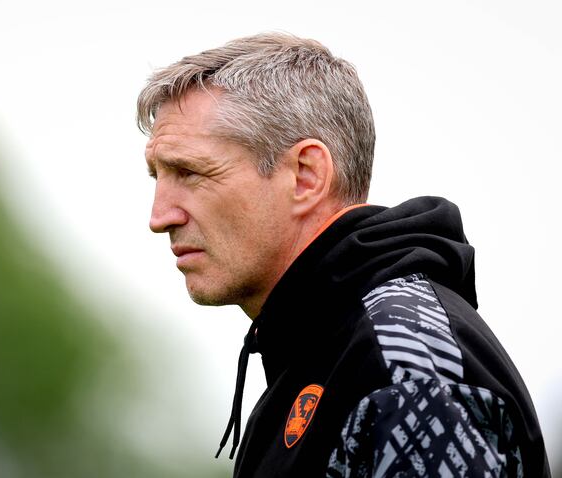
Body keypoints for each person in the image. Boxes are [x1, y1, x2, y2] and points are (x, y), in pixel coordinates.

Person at [137, 33, 550, 477]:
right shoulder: (323, 355)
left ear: (306, 175)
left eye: (190, 172)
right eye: (158, 176)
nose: (159, 217)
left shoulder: (407, 368)